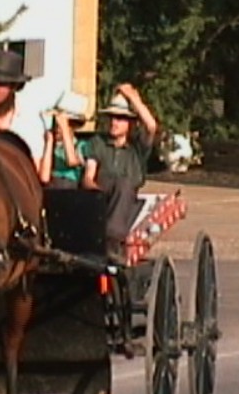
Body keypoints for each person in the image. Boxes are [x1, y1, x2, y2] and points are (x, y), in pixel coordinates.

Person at [81, 83, 158, 261]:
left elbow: (151, 126)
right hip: (99, 197)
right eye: (112, 118)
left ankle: (113, 241)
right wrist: (95, 191)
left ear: (130, 123)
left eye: (120, 118)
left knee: (124, 184)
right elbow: (88, 177)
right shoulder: (98, 143)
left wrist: (133, 98)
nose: (114, 122)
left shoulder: (136, 147)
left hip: (126, 203)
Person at [39, 91, 90, 189]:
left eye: (60, 125)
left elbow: (72, 161)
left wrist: (64, 128)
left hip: (70, 189)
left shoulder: (81, 145)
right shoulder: (53, 147)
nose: (58, 128)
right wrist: (49, 143)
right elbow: (44, 177)